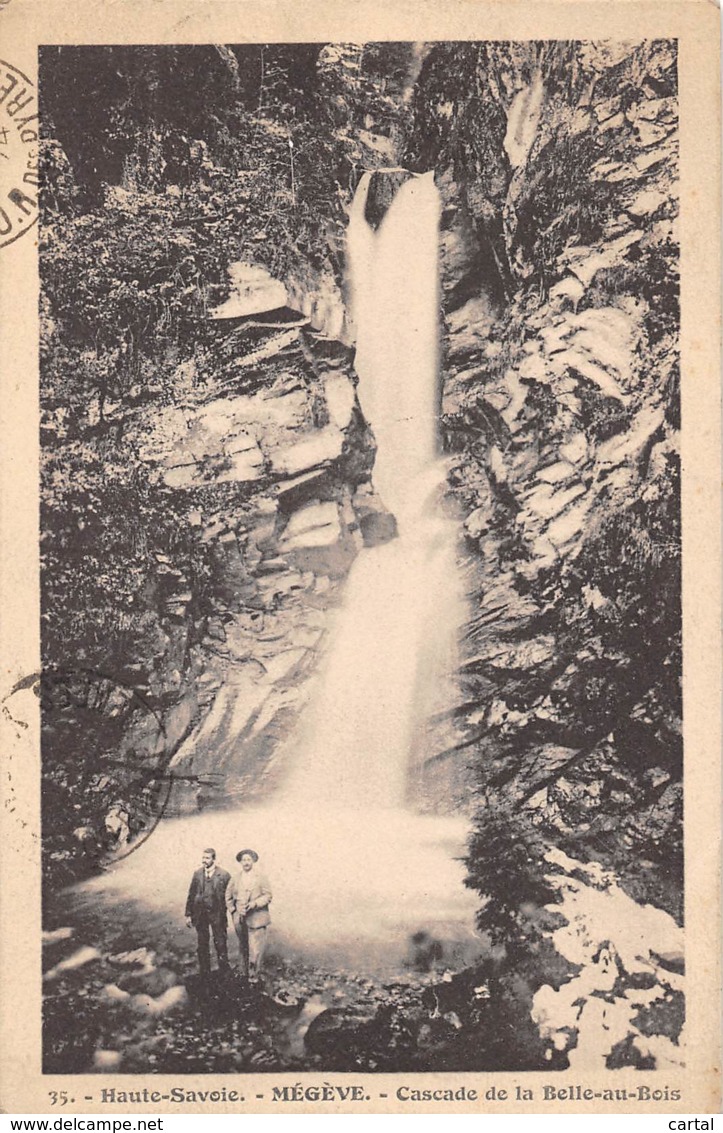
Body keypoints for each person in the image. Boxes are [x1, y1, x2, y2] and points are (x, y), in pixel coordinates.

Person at [226, 848, 272, 980]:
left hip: (256, 918)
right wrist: (233, 910)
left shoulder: (261, 878)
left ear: (253, 861)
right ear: (240, 862)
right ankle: (243, 974)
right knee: (243, 947)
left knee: (255, 950)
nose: (246, 862)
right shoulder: (235, 878)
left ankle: (253, 978)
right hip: (240, 919)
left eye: (249, 860)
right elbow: (228, 895)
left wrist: (255, 904)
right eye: (244, 860)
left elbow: (268, 895)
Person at [185, 848, 231, 979]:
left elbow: (231, 895)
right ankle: (205, 973)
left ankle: (224, 973)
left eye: (207, 858)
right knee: (202, 944)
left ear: (214, 859)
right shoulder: (197, 874)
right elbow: (191, 894)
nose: (204, 861)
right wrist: (188, 914)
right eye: (203, 858)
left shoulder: (224, 875)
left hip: (217, 915)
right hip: (200, 915)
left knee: (220, 943)